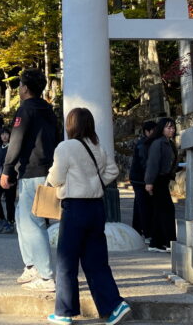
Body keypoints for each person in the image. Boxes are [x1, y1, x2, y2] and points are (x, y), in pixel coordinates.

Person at [45, 107, 131, 325]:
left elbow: (55, 178)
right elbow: (113, 171)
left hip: (75, 208)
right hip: (96, 207)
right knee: (96, 261)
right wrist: (96, 181)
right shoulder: (97, 147)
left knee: (67, 261)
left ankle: (64, 312)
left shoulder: (66, 147)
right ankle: (114, 305)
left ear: (71, 124)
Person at [0, 68, 59, 292]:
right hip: (47, 170)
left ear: (24, 88)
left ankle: (45, 276)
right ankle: (31, 266)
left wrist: (7, 169)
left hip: (32, 171)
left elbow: (16, 140)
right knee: (23, 219)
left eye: (20, 85)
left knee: (33, 222)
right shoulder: (48, 110)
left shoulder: (25, 109)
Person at [145, 117, 178, 253]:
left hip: (164, 179)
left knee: (160, 211)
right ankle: (169, 241)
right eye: (168, 127)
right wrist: (149, 182)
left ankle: (156, 242)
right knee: (167, 211)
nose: (172, 130)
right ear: (162, 129)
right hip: (158, 180)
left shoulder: (169, 143)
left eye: (173, 127)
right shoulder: (158, 143)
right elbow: (153, 164)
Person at [129, 120, 157, 240]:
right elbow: (145, 163)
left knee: (139, 205)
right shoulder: (144, 145)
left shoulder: (146, 143)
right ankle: (147, 233)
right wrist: (150, 179)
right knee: (144, 206)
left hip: (138, 178)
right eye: (154, 131)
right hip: (140, 179)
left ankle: (137, 229)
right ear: (147, 132)